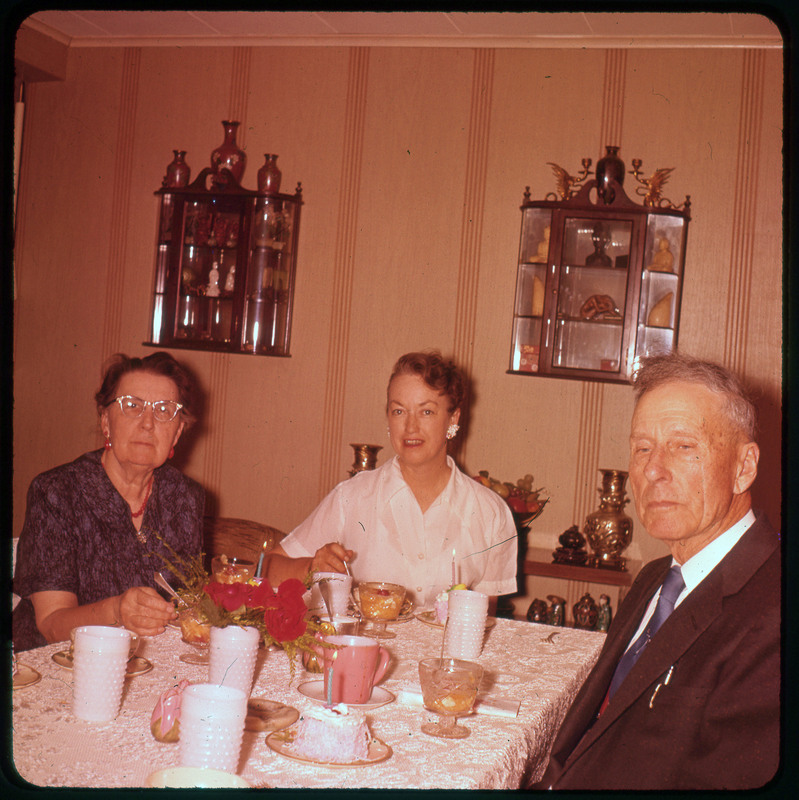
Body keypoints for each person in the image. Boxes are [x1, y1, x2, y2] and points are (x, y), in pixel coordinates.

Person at [535, 352, 780, 790]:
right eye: (643, 448)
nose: (652, 470)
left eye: (684, 447)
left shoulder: (774, 617)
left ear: (744, 467)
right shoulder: (655, 577)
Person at [265, 351, 518, 610]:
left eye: (426, 412)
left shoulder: (491, 512)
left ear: (453, 419)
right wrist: (310, 567)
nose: (410, 427)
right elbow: (269, 568)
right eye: (399, 411)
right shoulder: (352, 497)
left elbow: (482, 621)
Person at [13, 352, 205, 651]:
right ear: (106, 420)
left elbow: (186, 603)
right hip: (57, 665)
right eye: (132, 406)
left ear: (178, 431)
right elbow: (50, 624)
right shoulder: (57, 492)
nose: (147, 424)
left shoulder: (185, 497)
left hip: (145, 663)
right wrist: (116, 611)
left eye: (164, 410)